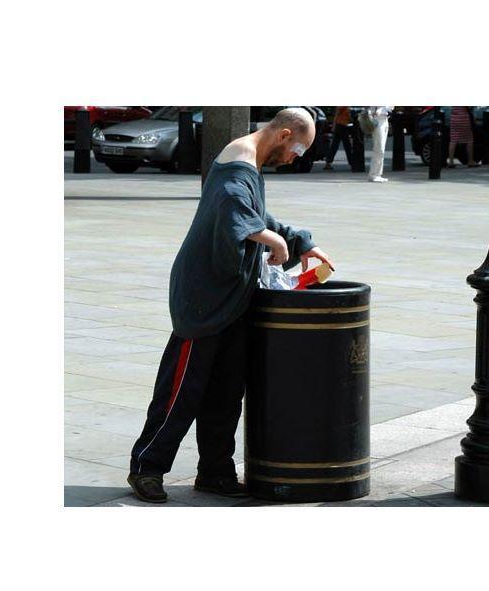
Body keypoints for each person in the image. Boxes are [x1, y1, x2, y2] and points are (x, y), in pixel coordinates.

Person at [127, 108, 336, 503]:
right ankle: (147, 468)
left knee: (225, 391)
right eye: (296, 150)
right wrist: (272, 240)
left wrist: (301, 241)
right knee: (180, 392)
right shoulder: (238, 164)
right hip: (205, 297)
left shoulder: (250, 162)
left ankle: (216, 472)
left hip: (234, 296)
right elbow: (236, 212)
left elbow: (257, 215)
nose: (294, 159)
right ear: (283, 134)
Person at [367, 106, 392, 182]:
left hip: (385, 119)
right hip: (377, 119)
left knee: (382, 149)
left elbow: (390, 108)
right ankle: (373, 174)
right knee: (379, 148)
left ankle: (378, 174)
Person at [324, 106, 353, 170]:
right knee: (347, 145)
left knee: (335, 145)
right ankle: (352, 163)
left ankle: (328, 163)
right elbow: (336, 114)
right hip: (341, 126)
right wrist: (334, 126)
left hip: (341, 125)